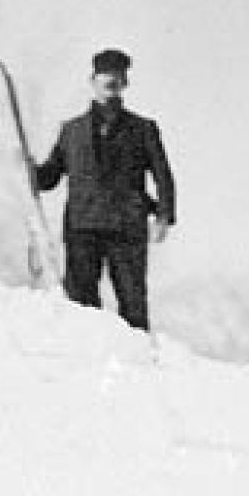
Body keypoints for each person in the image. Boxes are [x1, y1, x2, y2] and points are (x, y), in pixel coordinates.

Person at [33, 49, 176, 332]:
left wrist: (163, 215)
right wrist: (30, 170)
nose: (112, 80)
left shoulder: (143, 129)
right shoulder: (71, 131)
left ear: (125, 83)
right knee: (81, 303)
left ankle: (137, 365)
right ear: (93, 80)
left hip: (127, 228)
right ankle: (85, 357)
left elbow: (162, 175)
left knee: (133, 304)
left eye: (118, 76)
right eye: (106, 75)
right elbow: (49, 178)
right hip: (82, 226)